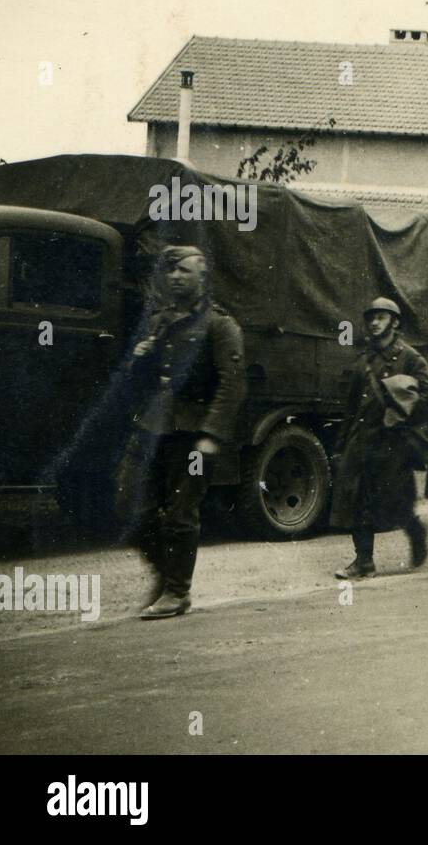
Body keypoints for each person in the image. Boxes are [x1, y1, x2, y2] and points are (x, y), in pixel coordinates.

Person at [118, 246, 246, 619]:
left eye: (184, 271)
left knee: (180, 512)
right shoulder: (159, 321)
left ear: (202, 279)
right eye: (171, 271)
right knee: (129, 505)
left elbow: (232, 384)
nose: (175, 277)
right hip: (153, 425)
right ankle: (165, 575)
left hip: (193, 435)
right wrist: (140, 359)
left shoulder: (220, 325)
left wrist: (211, 436)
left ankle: (177, 592)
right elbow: (139, 379)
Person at [332, 298, 428, 580]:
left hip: (395, 443)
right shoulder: (364, 360)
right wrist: (342, 445)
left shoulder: (410, 358)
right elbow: (352, 407)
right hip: (364, 440)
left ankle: (416, 531)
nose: (375, 323)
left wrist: (401, 412)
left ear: (394, 321)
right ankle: (363, 561)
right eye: (372, 318)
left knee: (397, 503)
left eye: (381, 317)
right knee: (359, 501)